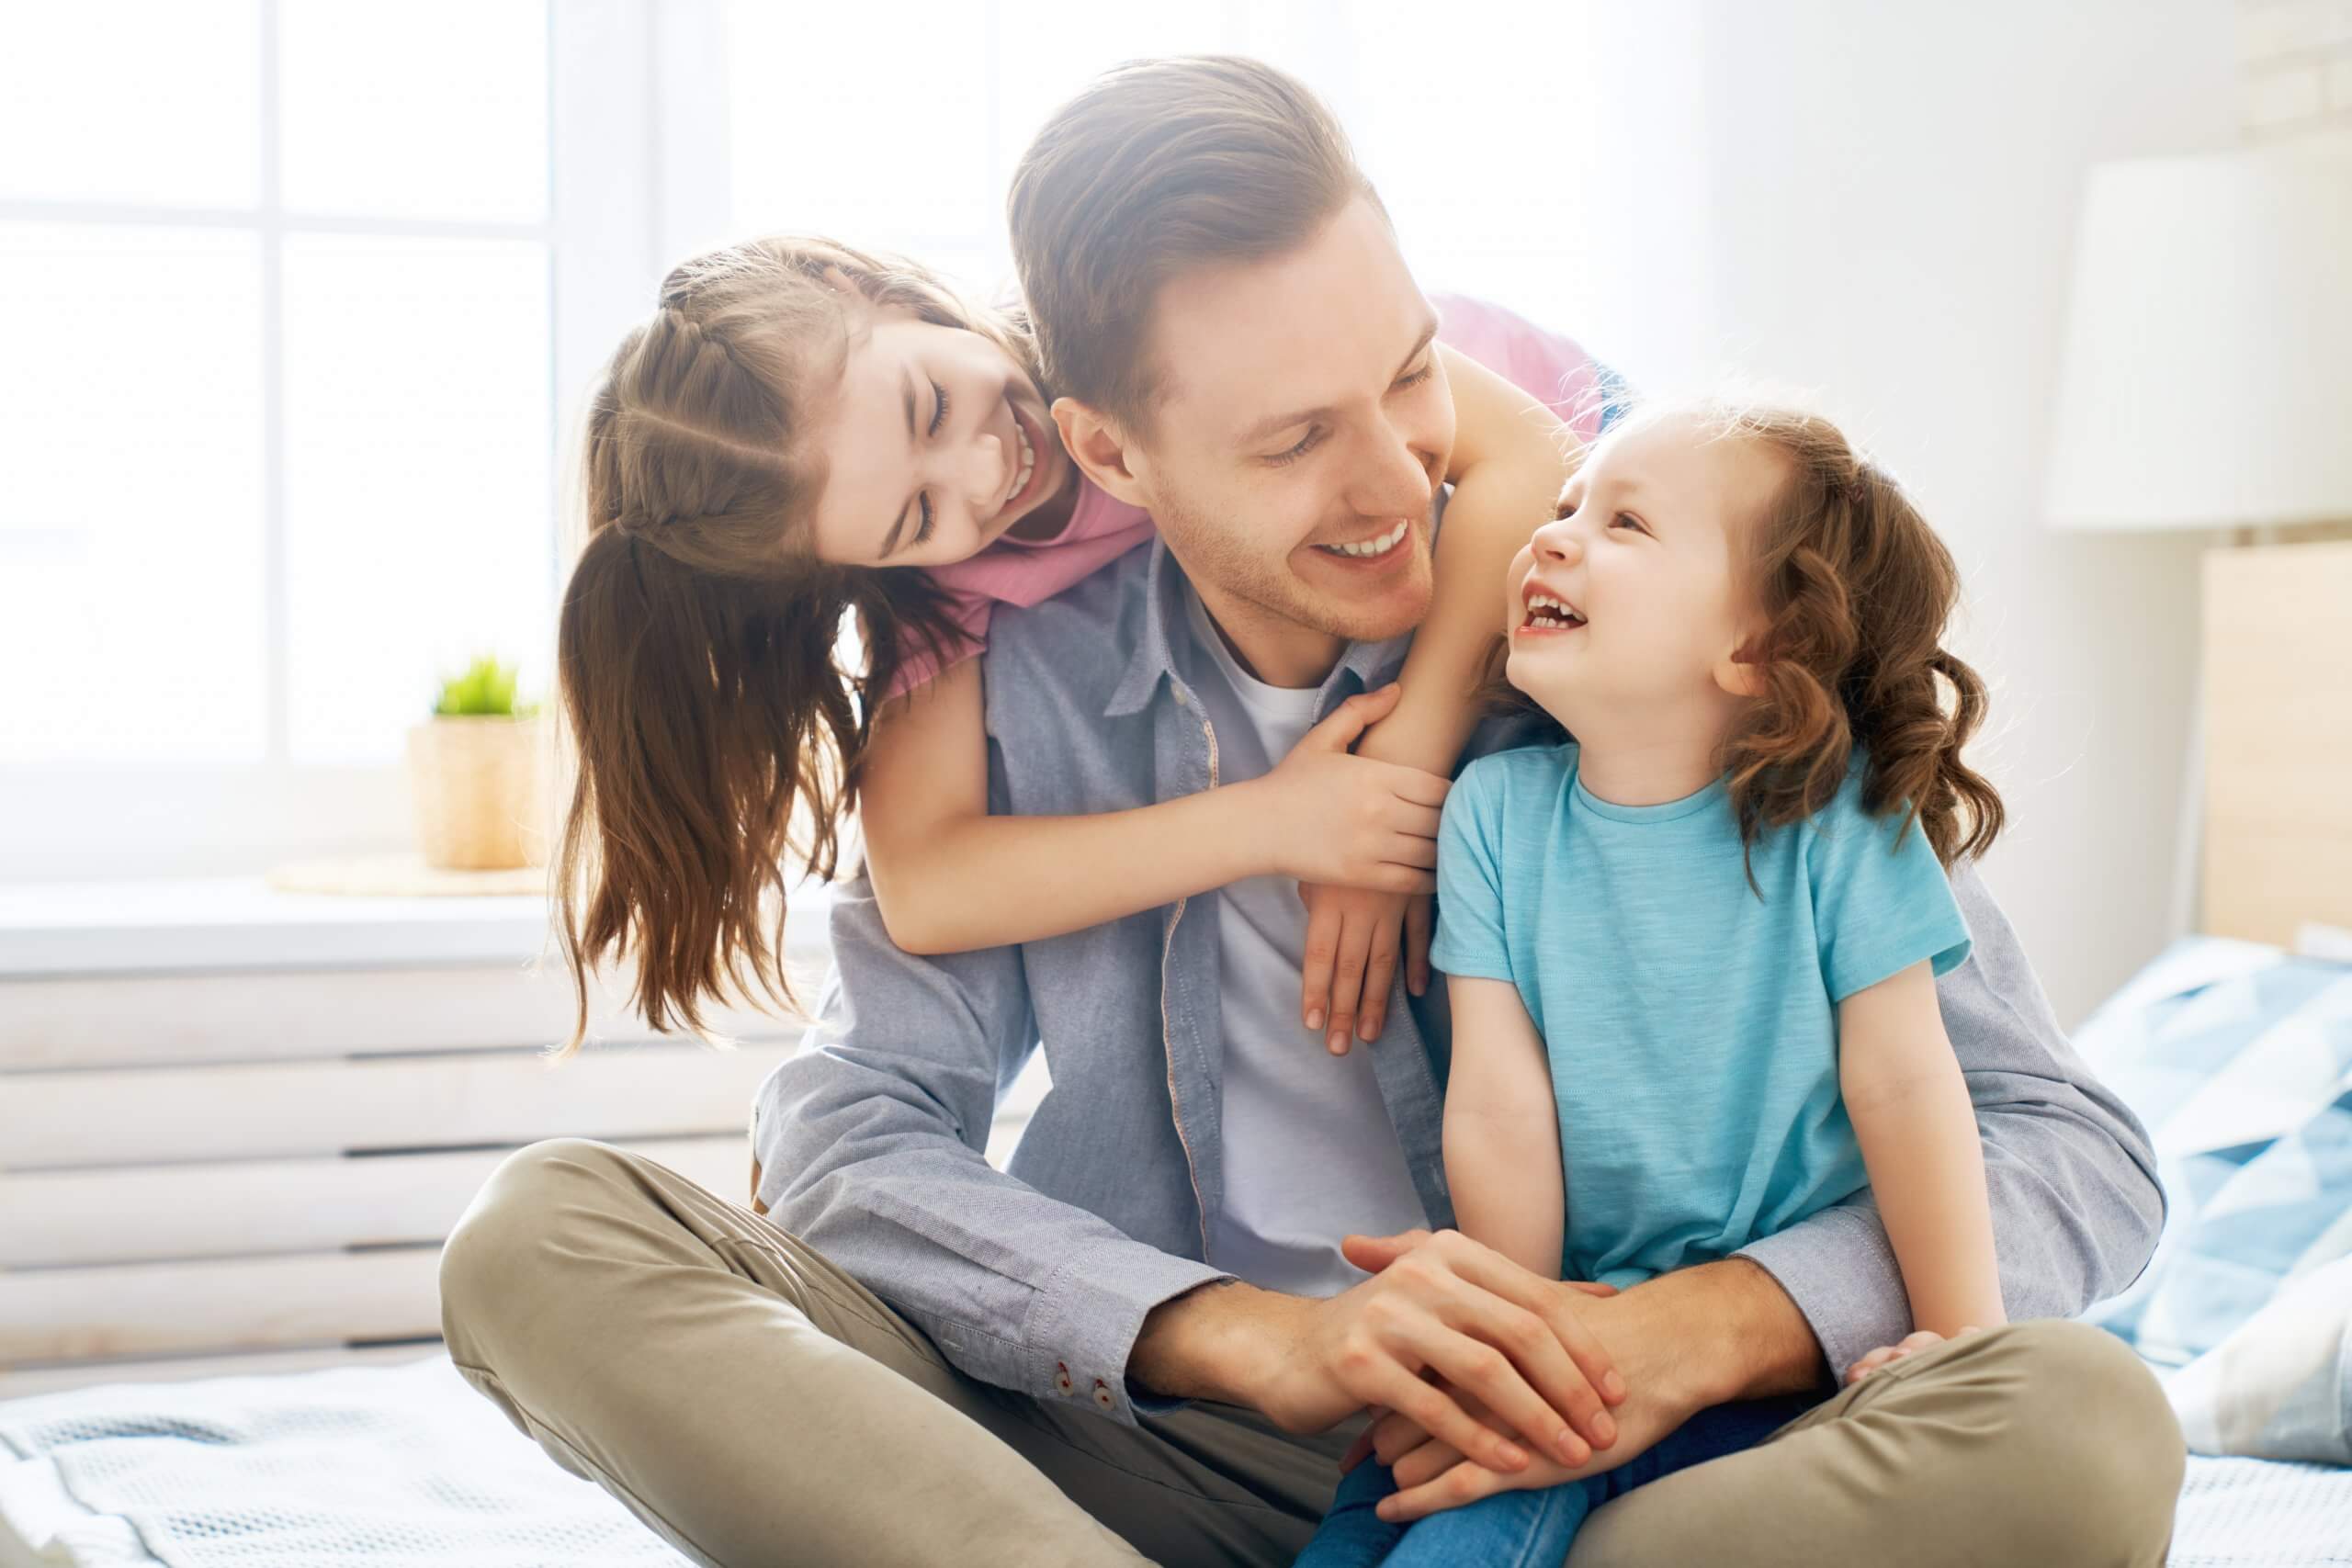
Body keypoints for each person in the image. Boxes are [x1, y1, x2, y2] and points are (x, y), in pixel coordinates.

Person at [440, 56, 2181, 1567]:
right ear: (1107, 456)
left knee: (2080, 1426)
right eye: (1291, 445)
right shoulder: (990, 686)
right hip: (1149, 1455)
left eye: (1412, 377)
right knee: (544, 1241)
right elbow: (844, 1141)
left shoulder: (1617, 639)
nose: (1400, 481)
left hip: (1591, 1460)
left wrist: (1684, 1336)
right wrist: (1241, 1335)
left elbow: (2068, 1152)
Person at [548, 231, 1596, 1066]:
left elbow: (1524, 455)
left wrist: (1398, 787)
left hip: (1589, 438)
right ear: (861, 565)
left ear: (862, 284)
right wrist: (1276, 823)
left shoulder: (1118, 316)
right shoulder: (946, 593)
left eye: (931, 407)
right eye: (915, 517)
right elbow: (929, 886)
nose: (981, 469)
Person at [1296, 398, 2011, 1566]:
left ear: (1759, 649)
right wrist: (1506, 1341)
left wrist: (1958, 1335)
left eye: (1624, 523)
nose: (1553, 536)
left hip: (1769, 1378)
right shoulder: (1494, 816)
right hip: (1580, 1320)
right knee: (1385, 1501)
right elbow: (1497, 1101)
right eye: (1567, 505)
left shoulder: (1841, 825)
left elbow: (1904, 1082)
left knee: (1477, 1519)